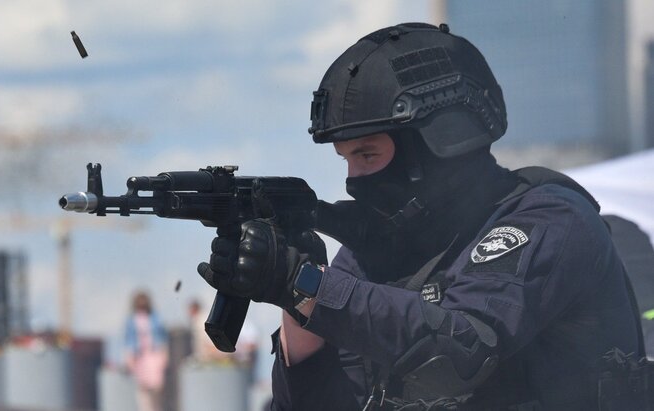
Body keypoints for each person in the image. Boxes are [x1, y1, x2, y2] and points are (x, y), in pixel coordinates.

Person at [197, 22, 648, 410]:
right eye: (346, 160)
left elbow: (458, 354)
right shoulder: (376, 250)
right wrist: (294, 301)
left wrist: (306, 284)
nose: (354, 179)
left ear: (436, 146)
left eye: (367, 155)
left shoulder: (546, 219)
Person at [124, 290, 169, 411]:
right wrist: (129, 358)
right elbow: (129, 341)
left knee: (157, 388)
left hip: (154, 355)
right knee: (142, 390)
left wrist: (164, 355)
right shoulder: (131, 320)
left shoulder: (155, 318)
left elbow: (162, 338)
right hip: (140, 357)